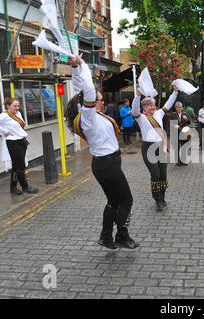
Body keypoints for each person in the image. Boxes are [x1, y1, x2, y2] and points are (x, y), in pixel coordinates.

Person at [64, 54, 139, 250]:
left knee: (114, 201)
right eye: (99, 100)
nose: (102, 102)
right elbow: (87, 89)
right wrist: (83, 63)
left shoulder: (91, 114)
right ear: (88, 103)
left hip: (105, 163)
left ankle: (106, 237)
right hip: (107, 163)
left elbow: (81, 89)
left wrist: (74, 69)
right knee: (126, 200)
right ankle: (122, 236)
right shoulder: (88, 117)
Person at [132, 85, 179, 210]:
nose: (152, 107)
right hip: (148, 149)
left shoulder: (159, 114)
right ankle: (157, 199)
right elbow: (134, 110)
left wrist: (174, 92)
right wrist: (137, 96)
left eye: (153, 105)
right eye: (149, 105)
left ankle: (162, 198)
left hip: (161, 147)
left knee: (163, 175)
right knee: (155, 174)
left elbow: (168, 104)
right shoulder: (141, 118)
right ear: (144, 108)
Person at [0, 98, 39, 195]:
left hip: (22, 141)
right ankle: (25, 188)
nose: (17, 108)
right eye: (14, 106)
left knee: (16, 167)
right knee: (20, 167)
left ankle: (13, 187)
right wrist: (4, 131)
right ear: (8, 106)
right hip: (13, 143)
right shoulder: (4, 116)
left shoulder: (18, 114)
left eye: (18, 106)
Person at [170, 101, 191, 166]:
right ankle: (177, 161)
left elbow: (189, 122)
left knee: (184, 147)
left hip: (183, 133)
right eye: (179, 107)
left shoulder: (183, 114)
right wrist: (174, 126)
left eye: (181, 107)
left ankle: (183, 160)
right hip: (176, 133)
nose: (180, 109)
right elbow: (171, 123)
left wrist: (186, 119)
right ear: (176, 108)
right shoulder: (173, 114)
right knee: (177, 147)